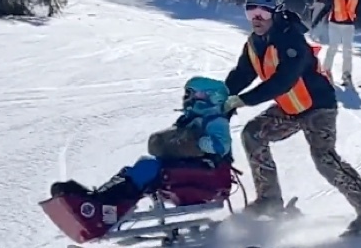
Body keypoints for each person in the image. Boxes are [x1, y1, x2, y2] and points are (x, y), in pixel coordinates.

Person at [223, 0, 361, 235]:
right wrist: (219, 98)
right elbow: (241, 75)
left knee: (324, 159)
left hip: (318, 108)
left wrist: (243, 100)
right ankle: (269, 199)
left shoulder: (291, 40)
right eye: (251, 12)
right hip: (291, 108)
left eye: (264, 12)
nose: (257, 18)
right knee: (253, 134)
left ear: (278, 12)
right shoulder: (254, 43)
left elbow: (284, 80)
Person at [47, 76, 236, 219]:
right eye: (187, 94)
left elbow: (221, 147)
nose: (188, 98)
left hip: (208, 175)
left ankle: (103, 204)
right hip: (190, 169)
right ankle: (102, 199)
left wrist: (199, 142)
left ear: (212, 97)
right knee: (143, 168)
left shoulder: (215, 120)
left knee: (148, 167)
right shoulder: (191, 119)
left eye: (194, 94)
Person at [311, 0, 359, 86]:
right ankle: (326, 71)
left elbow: (359, 10)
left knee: (347, 50)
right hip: (335, 25)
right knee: (332, 48)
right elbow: (326, 9)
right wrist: (316, 21)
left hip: (348, 26)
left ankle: (346, 74)